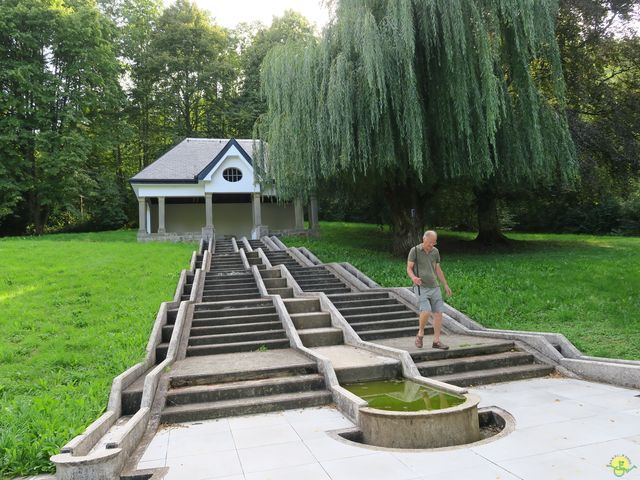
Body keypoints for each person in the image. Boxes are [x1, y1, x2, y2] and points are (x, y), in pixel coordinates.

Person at [406, 230, 452, 350]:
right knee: (425, 311)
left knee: (438, 313)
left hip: (434, 286)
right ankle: (420, 334)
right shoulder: (414, 251)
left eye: (434, 242)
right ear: (424, 239)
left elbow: (438, 270)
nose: (432, 245)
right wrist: (413, 278)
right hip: (421, 286)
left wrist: (445, 284)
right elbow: (409, 268)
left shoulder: (435, 252)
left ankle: (436, 341)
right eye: (430, 242)